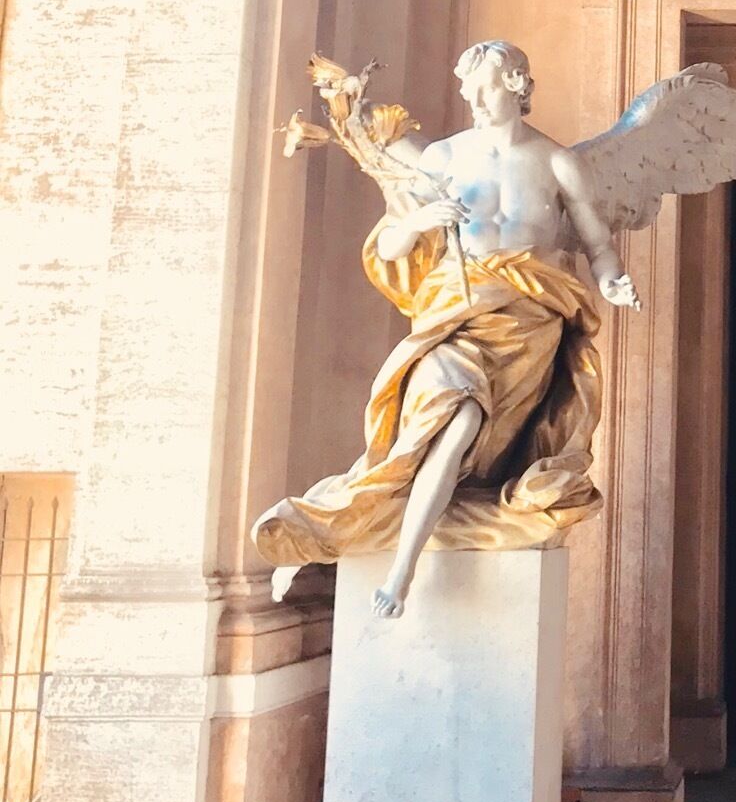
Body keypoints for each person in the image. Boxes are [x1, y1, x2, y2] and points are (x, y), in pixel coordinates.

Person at [254, 41, 634, 619]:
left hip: (528, 325)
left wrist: (611, 282)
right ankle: (403, 569)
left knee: (478, 442)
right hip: (456, 315)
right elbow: (389, 245)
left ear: (517, 84)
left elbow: (599, 246)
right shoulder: (444, 158)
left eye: (484, 86)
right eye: (467, 89)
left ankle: (421, 545)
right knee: (453, 417)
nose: (473, 99)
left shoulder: (560, 162)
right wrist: (418, 222)